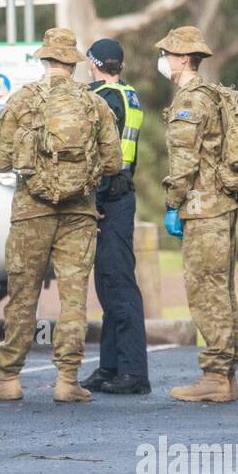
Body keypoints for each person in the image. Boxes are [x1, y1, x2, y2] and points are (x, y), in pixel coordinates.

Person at [0, 28, 121, 403]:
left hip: (31, 210)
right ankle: (68, 380)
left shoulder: (22, 100)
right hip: (80, 211)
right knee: (74, 297)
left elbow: (0, 159)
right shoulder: (94, 104)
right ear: (73, 64)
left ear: (45, 60)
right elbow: (115, 162)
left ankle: (8, 377)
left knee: (23, 295)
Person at [157, 26, 238, 402]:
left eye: (168, 54)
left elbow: (183, 162)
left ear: (183, 59)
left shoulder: (190, 101)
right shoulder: (215, 96)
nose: (163, 61)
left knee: (205, 290)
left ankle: (215, 377)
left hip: (203, 209)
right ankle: (226, 375)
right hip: (222, 205)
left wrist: (172, 203)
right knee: (221, 289)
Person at [81, 39, 151, 396]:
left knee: (118, 283)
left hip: (112, 195)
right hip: (120, 191)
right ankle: (111, 365)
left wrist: (97, 199)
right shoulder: (128, 93)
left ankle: (134, 372)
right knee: (109, 282)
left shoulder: (104, 98)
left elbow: (101, 153)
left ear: (92, 63)